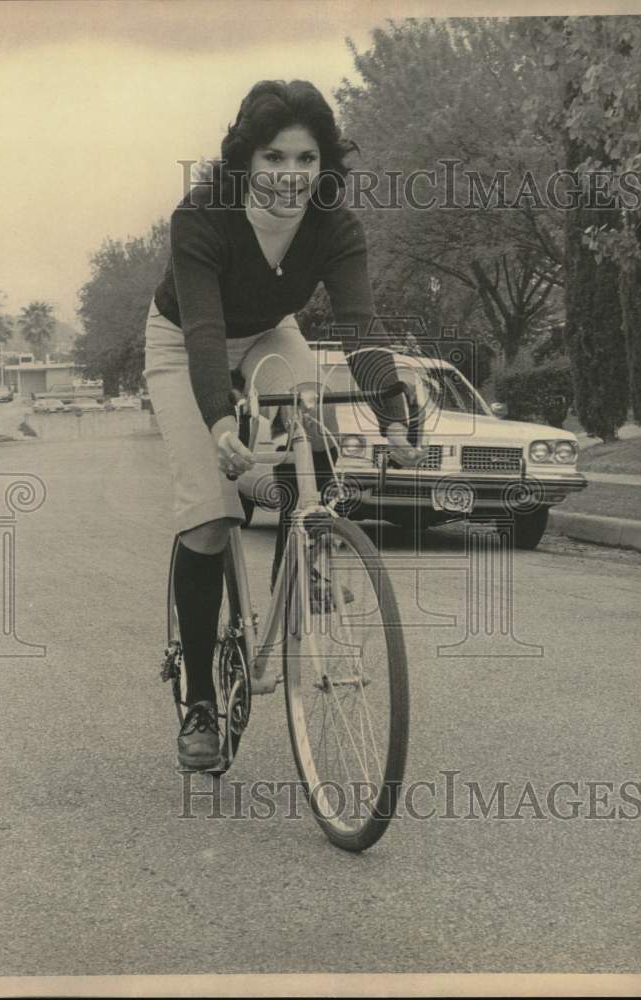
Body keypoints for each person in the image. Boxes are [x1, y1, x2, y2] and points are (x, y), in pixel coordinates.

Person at [143, 79, 423, 770]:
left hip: (270, 330)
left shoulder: (334, 225)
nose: (290, 176)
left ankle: (304, 559)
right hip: (185, 341)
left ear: (324, 162)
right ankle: (200, 702)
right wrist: (219, 423)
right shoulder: (201, 215)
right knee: (210, 515)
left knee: (310, 425)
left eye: (305, 159)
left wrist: (392, 412)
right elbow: (203, 332)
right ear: (245, 158)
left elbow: (360, 327)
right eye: (273, 157)